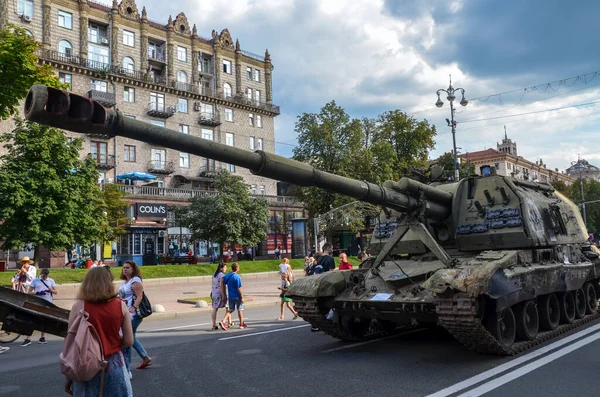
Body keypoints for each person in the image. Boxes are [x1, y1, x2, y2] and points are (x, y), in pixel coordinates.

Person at [64, 267, 133, 396]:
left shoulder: (79, 306)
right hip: (113, 364)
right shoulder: (120, 305)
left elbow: (72, 342)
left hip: (86, 365)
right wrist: (113, 337)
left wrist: (70, 377)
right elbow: (129, 341)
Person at [119, 260, 152, 378]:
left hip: (134, 315)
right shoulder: (124, 282)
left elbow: (139, 296)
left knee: (127, 341)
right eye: (124, 267)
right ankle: (145, 357)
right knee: (131, 337)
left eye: (127, 267)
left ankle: (127, 370)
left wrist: (133, 307)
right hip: (125, 313)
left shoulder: (135, 281)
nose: (125, 269)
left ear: (133, 269)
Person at [21, 268, 57, 346]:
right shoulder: (35, 281)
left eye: (45, 276)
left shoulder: (51, 281)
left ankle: (42, 337)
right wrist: (37, 293)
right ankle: (28, 338)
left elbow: (55, 292)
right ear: (41, 274)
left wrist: (51, 290)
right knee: (32, 319)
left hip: (47, 303)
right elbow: (29, 292)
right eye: (43, 276)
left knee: (44, 320)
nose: (44, 278)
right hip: (37, 302)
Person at [310, 243, 335, 332]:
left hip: (317, 283)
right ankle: (327, 321)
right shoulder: (330, 259)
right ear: (328, 248)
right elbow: (331, 273)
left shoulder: (319, 258)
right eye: (332, 248)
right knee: (333, 304)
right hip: (326, 285)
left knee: (320, 305)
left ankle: (317, 323)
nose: (333, 249)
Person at [219, 263, 247, 330]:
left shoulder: (228, 275)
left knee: (230, 309)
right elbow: (239, 288)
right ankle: (241, 324)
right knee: (240, 309)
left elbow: (223, 284)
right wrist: (242, 297)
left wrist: (224, 294)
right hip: (237, 296)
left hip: (230, 296)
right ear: (237, 268)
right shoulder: (237, 276)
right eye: (238, 267)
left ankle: (223, 321)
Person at [211, 263, 228, 330]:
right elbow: (221, 285)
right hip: (219, 293)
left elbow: (213, 284)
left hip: (214, 293)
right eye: (225, 267)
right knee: (228, 307)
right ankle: (226, 322)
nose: (226, 269)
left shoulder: (214, 274)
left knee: (215, 309)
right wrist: (223, 295)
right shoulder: (221, 275)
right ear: (221, 268)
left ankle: (214, 325)